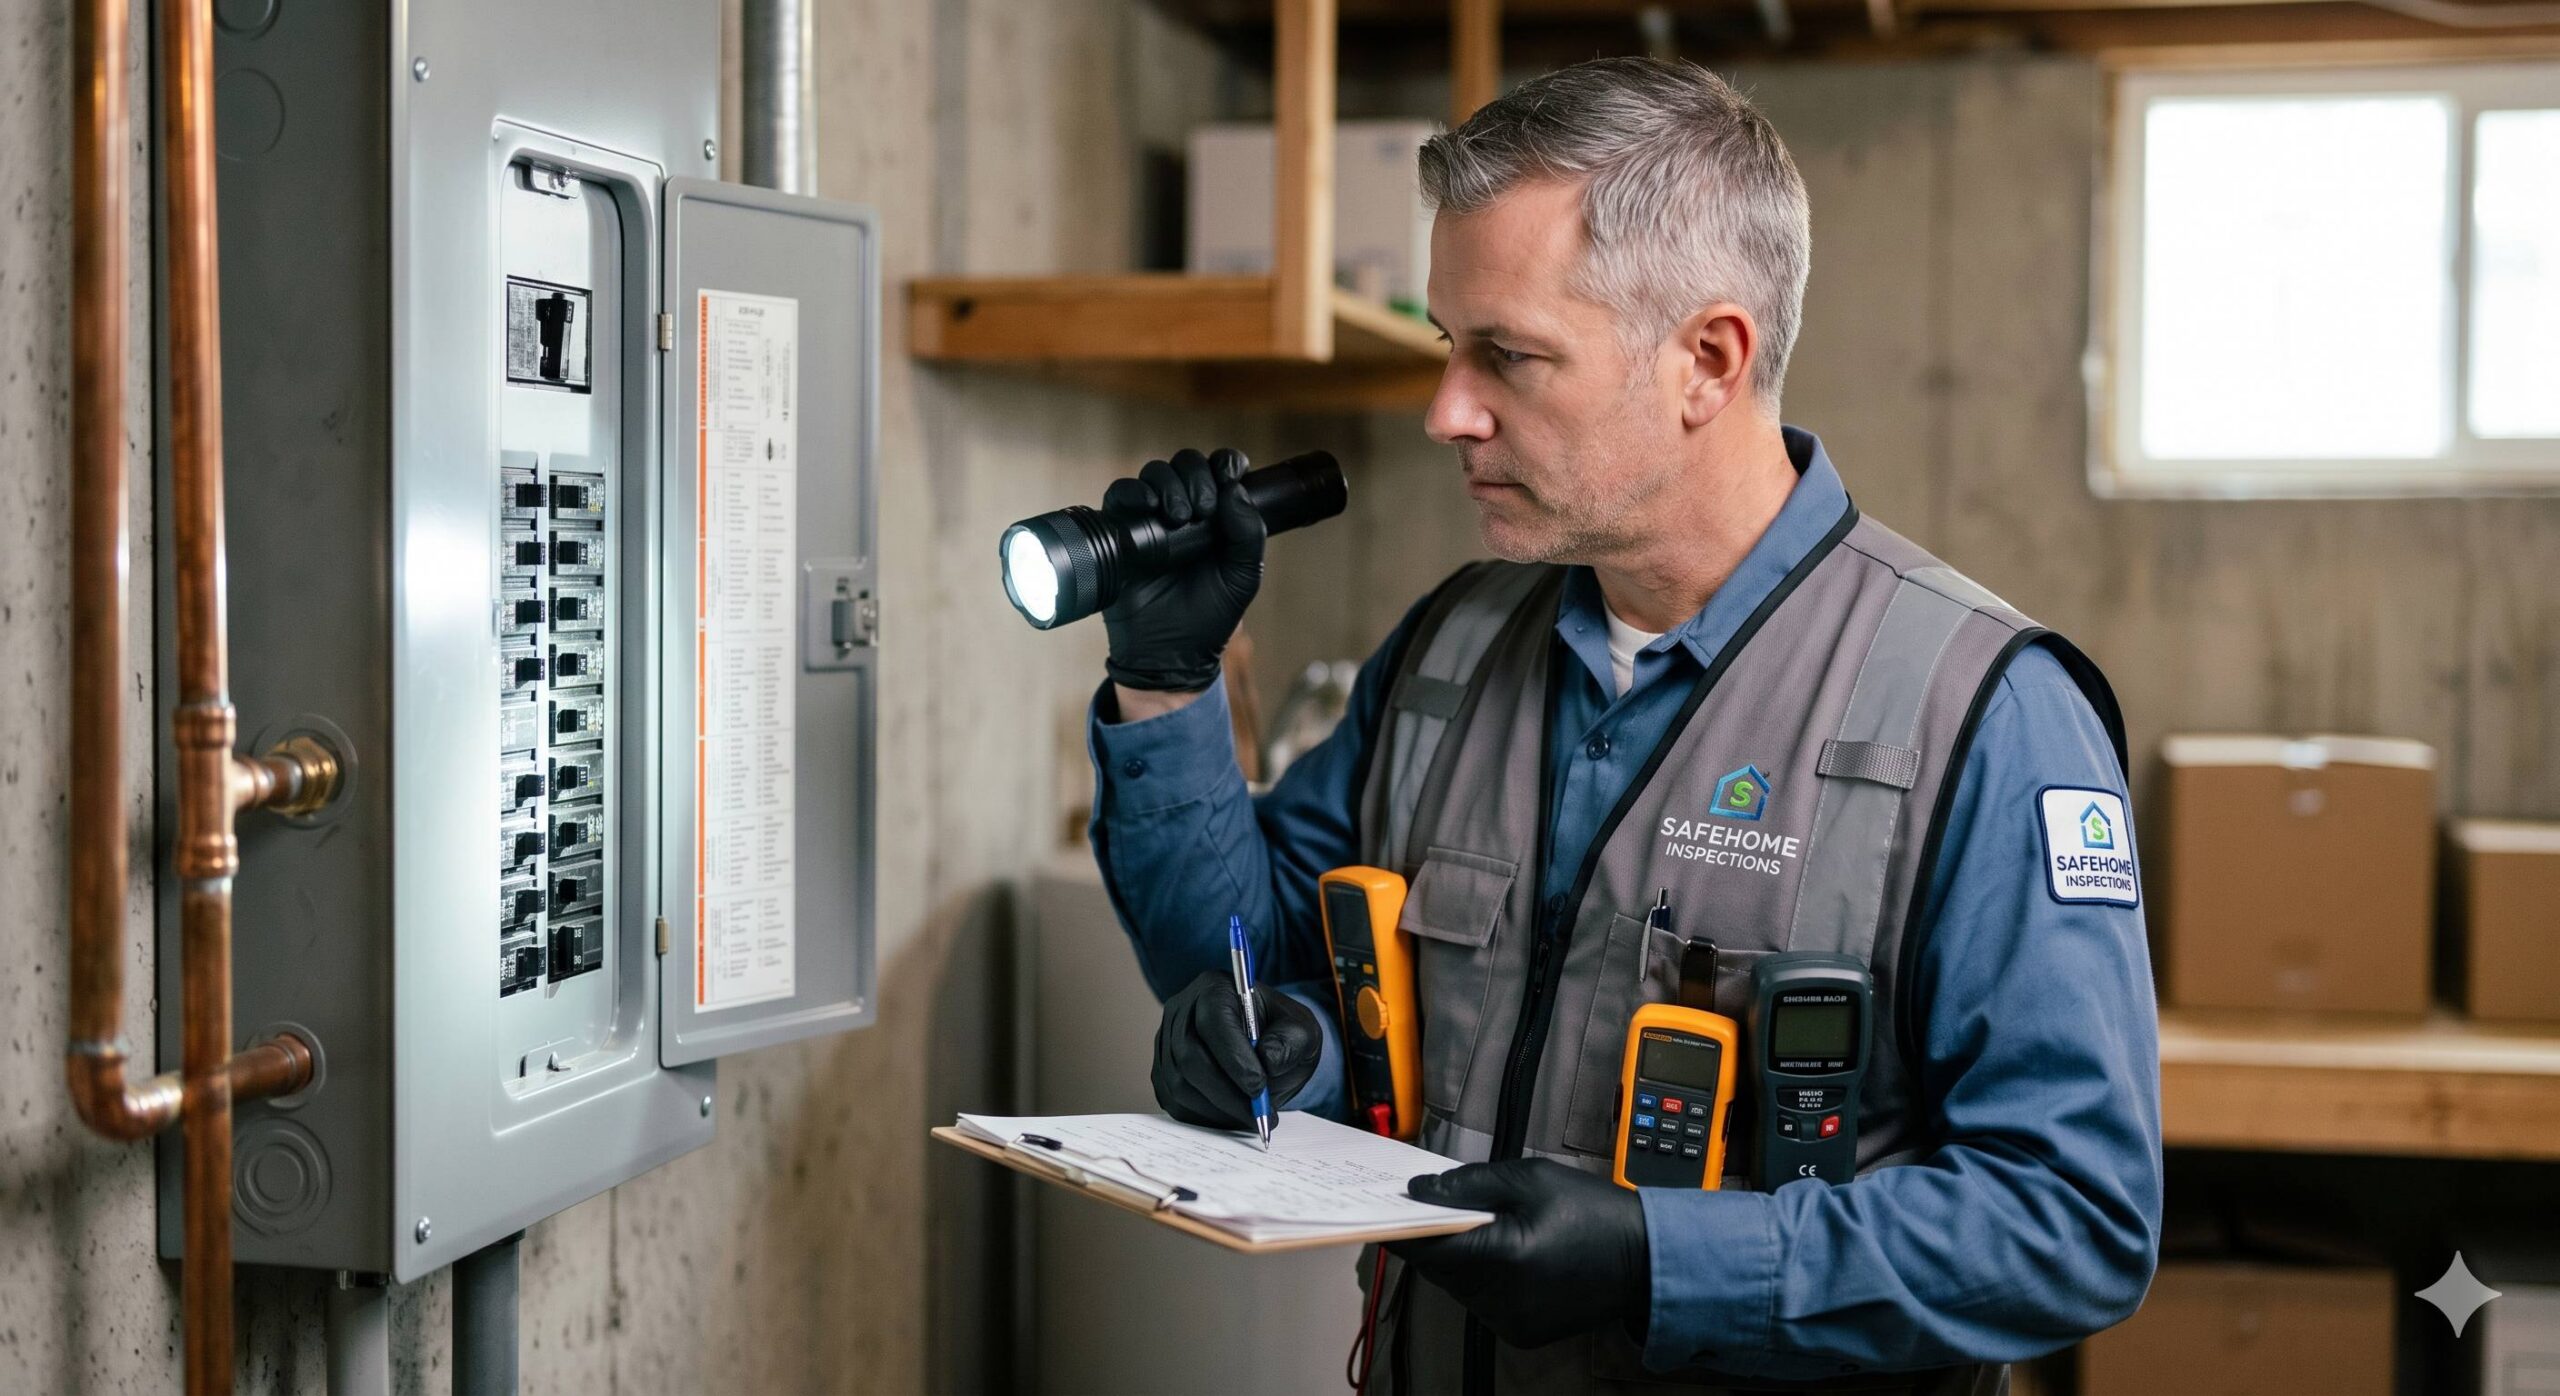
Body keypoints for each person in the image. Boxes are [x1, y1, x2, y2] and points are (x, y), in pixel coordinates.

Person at [1086, 57, 2160, 1395]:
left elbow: (2073, 1224)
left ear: (1709, 359)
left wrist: (1665, 1259)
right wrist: (1167, 684)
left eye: (1510, 356)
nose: (1447, 412)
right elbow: (1234, 967)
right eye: (1446, 345)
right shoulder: (1447, 653)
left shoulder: (1983, 714)